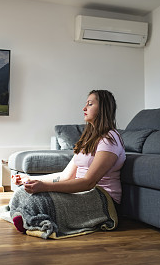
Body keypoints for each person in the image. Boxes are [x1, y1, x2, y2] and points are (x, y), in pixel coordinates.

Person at [11, 89, 126, 232]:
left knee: (38, 201)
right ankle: (26, 217)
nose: (84, 108)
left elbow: (89, 182)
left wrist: (44, 187)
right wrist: (32, 179)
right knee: (21, 192)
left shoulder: (110, 139)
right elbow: (65, 176)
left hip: (102, 198)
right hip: (81, 192)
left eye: (90, 104)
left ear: (103, 108)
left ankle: (28, 218)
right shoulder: (88, 139)